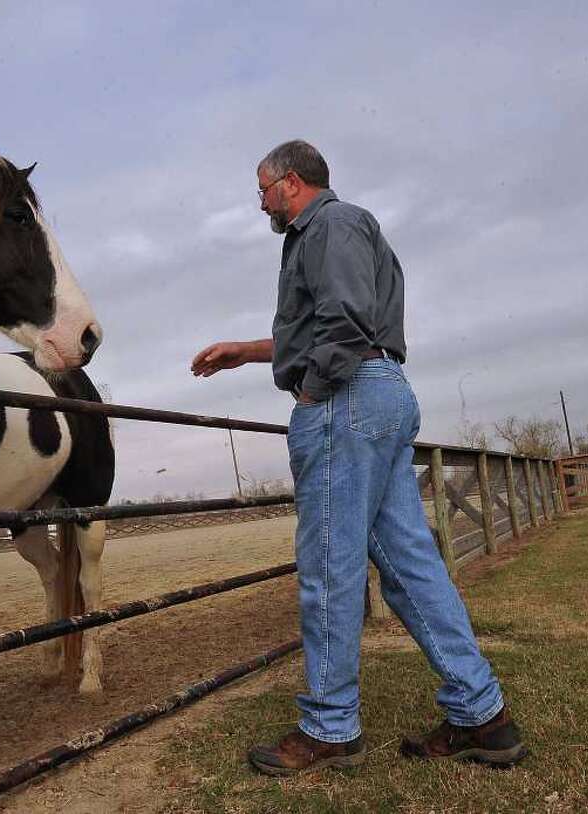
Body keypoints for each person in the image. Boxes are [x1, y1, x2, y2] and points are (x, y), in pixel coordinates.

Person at [190, 140, 527, 776]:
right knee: (409, 566)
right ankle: (483, 717)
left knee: (327, 565)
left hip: (346, 401)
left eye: (262, 189)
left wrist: (313, 393)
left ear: (290, 183)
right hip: (373, 395)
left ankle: (330, 725)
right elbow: (330, 324)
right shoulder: (338, 230)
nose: (259, 201)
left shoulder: (332, 224)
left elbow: (344, 325)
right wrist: (248, 350)